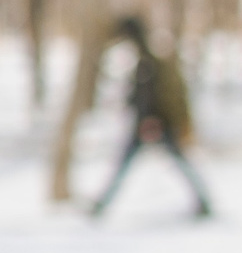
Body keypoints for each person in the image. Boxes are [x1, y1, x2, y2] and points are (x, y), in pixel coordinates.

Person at [91, 15, 215, 219]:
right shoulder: (144, 58)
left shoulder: (146, 61)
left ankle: (204, 200)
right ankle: (102, 203)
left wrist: (150, 120)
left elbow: (150, 95)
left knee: (173, 162)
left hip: (153, 124)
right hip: (149, 123)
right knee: (138, 163)